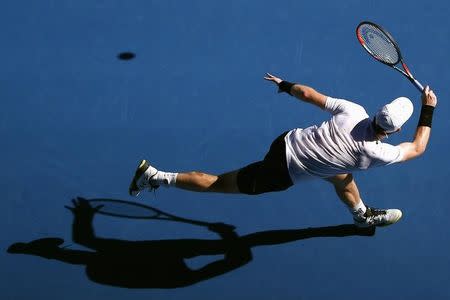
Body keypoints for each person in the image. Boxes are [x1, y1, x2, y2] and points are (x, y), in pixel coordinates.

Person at [129, 73, 437, 227]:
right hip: (286, 169)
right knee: (218, 183)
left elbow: (308, 93)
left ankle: (361, 215)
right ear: (395, 130)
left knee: (341, 174)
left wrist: (284, 84)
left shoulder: (354, 110)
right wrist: (428, 109)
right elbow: (418, 147)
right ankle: (155, 176)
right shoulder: (376, 154)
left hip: (287, 141)